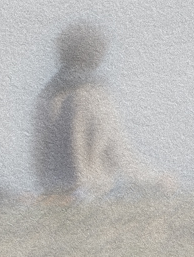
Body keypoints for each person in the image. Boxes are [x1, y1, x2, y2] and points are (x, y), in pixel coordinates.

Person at [32, 20, 174, 200]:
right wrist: (157, 179)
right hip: (90, 196)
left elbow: (38, 160)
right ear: (95, 55)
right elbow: (120, 155)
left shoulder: (45, 97)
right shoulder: (95, 96)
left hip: (52, 193)